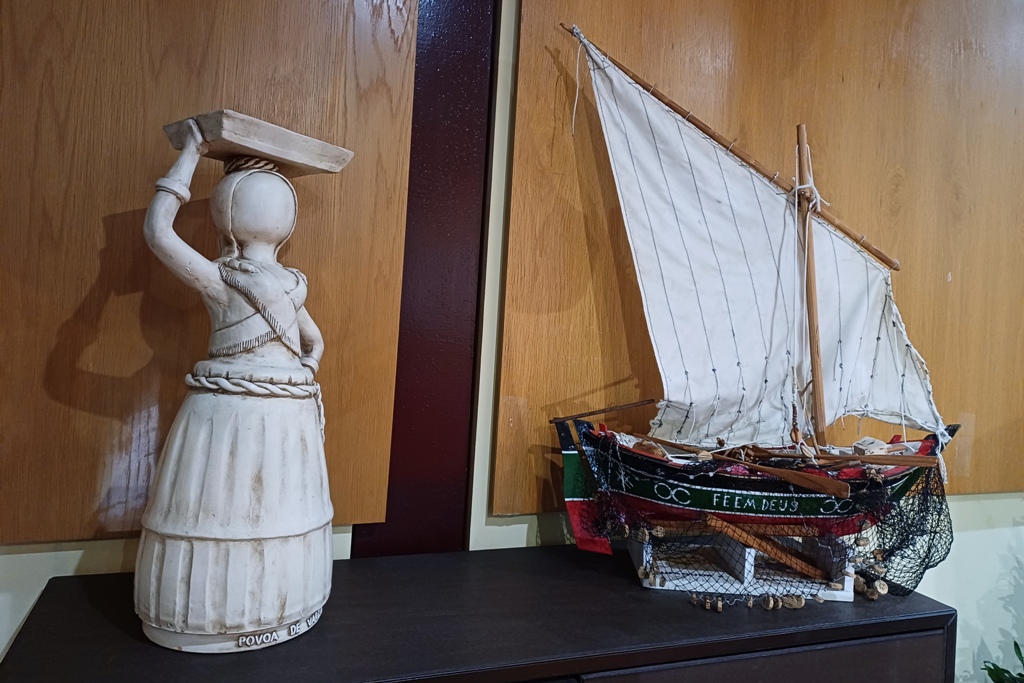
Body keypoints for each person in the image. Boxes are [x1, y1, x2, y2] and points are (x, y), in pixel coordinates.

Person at [134, 120, 333, 653]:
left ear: (223, 215)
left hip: (232, 407)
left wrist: (190, 154)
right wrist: (302, 372)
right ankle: (261, 613)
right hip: (280, 406)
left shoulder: (232, 279)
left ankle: (230, 617)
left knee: (225, 508)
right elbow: (315, 343)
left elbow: (158, 231)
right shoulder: (284, 284)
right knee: (263, 509)